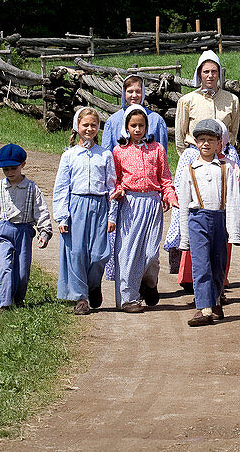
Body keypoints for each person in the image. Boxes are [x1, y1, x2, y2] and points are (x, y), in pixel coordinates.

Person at [169, 51, 240, 290]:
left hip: (224, 157)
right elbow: (180, 137)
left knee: (223, 210)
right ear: (199, 73)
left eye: (214, 71)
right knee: (193, 212)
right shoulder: (187, 101)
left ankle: (220, 273)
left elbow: (234, 131)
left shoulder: (231, 100)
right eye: (206, 71)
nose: (210, 75)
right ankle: (190, 274)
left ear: (220, 73)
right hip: (194, 157)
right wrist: (193, 159)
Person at [101, 73, 168, 285]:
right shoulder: (113, 121)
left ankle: (147, 283)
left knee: (149, 248)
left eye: (138, 91)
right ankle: (129, 287)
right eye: (129, 91)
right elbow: (108, 159)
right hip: (126, 195)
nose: (134, 95)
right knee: (127, 245)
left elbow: (161, 157)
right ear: (123, 93)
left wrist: (165, 191)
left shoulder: (156, 120)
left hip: (150, 194)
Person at [109, 104, 178, 312]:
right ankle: (128, 298)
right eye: (133, 126)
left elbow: (165, 178)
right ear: (126, 128)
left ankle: (149, 283)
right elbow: (116, 179)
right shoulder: (119, 151)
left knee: (150, 254)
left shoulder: (157, 149)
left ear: (147, 127)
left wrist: (170, 196)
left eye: (141, 125)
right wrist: (119, 190)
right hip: (130, 204)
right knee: (128, 252)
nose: (137, 130)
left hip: (152, 203)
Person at [176, 119, 240, 327]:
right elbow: (184, 205)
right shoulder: (190, 169)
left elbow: (232, 201)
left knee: (218, 263)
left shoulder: (226, 169)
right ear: (195, 142)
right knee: (201, 264)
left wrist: (233, 232)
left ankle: (215, 302)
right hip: (197, 220)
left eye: (211, 140)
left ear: (219, 144)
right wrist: (184, 238)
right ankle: (203, 307)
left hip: (219, 219)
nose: (205, 144)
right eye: (201, 140)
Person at [54, 107, 116, 315]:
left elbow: (112, 187)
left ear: (99, 128)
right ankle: (81, 298)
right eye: (85, 125)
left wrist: (112, 215)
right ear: (77, 127)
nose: (89, 129)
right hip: (77, 205)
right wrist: (63, 216)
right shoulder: (69, 156)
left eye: (93, 125)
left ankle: (93, 284)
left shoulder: (105, 155)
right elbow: (62, 187)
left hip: (99, 206)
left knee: (100, 253)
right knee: (77, 252)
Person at [0, 143, 52, 310]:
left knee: (22, 271)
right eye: (5, 169)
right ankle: (5, 304)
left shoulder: (31, 188)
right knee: (5, 267)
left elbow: (41, 210)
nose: (10, 173)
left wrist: (44, 232)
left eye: (13, 168)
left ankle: (18, 299)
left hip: (24, 231)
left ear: (23, 165)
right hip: (4, 231)